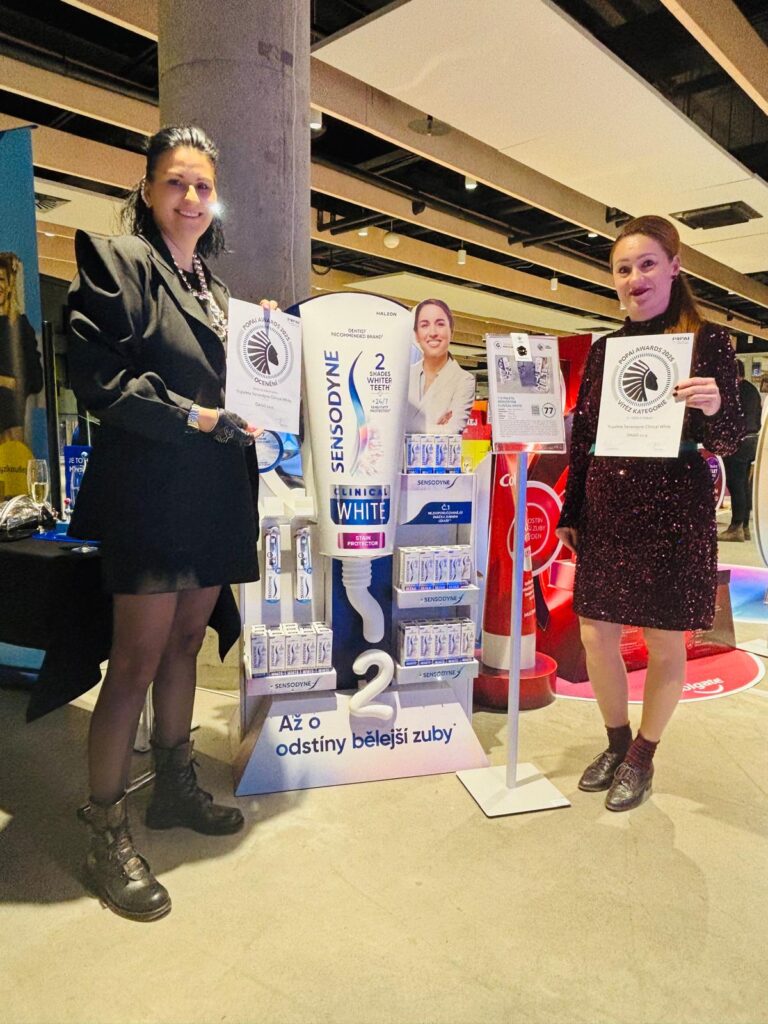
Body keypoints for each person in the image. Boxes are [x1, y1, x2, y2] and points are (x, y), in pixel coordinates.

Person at [68, 125, 273, 922]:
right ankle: (105, 828)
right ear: (149, 189)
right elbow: (101, 380)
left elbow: (240, 390)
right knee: (135, 661)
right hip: (150, 493)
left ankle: (175, 787)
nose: (191, 197)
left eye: (202, 186)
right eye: (176, 182)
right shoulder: (118, 263)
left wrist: (263, 350)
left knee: (187, 642)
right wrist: (195, 416)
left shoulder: (218, 292)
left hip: (213, 494)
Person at [555, 215, 744, 812]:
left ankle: (643, 754)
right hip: (609, 507)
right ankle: (616, 742)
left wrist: (715, 405)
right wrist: (572, 508)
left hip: (674, 507)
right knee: (595, 635)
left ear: (674, 267)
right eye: (623, 268)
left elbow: (729, 438)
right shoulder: (605, 350)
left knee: (665, 640)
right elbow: (584, 437)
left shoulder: (709, 342)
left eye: (646, 264)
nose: (634, 278)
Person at [406, 298, 476, 434]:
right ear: (416, 335)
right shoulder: (405, 375)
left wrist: (405, 426)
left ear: (451, 331)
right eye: (424, 325)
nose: (432, 333)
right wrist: (436, 428)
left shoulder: (464, 380)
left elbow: (452, 430)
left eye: (440, 324)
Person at [0, 252, 43, 444]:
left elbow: (36, 379)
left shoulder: (21, 326)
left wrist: (11, 384)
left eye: (2, 279)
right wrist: (6, 381)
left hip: (12, 420)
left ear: (10, 285)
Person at [719, 359, 761, 542]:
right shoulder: (752, 389)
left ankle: (736, 527)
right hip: (752, 440)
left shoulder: (734, 391)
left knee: (736, 484)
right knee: (743, 484)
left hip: (738, 441)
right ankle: (744, 526)